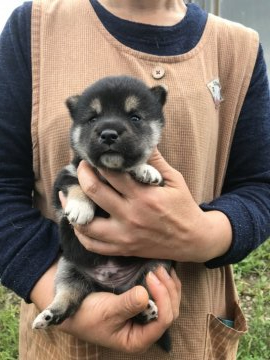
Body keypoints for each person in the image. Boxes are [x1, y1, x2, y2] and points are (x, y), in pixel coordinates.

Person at [0, 0, 269, 359]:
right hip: (66, 342)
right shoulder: (33, 27)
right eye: (93, 120)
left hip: (191, 333)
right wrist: (52, 287)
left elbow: (261, 184)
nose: (110, 131)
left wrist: (203, 233)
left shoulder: (239, 48)